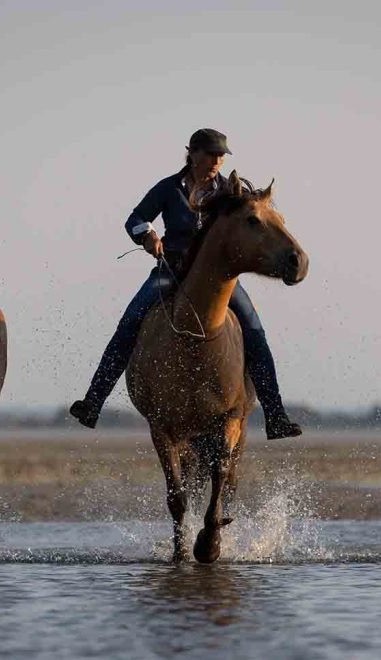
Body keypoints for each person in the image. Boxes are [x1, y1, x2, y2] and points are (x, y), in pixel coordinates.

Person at [69, 128, 302, 439]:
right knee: (130, 322)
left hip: (218, 279)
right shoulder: (168, 188)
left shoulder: (229, 193)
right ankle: (93, 402)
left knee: (254, 331)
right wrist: (147, 235)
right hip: (172, 270)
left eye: (221, 156)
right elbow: (135, 219)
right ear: (192, 153)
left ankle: (275, 414)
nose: (217, 161)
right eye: (211, 154)